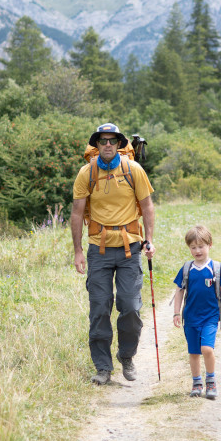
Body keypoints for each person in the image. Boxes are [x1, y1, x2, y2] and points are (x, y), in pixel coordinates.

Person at [71, 123, 156, 386]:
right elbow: (76, 213)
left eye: (112, 140)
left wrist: (149, 240)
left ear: (119, 144)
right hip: (98, 249)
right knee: (99, 308)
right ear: (96, 145)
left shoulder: (133, 170)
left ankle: (126, 356)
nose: (107, 144)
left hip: (131, 247)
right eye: (102, 140)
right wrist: (78, 251)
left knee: (130, 306)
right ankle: (102, 367)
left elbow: (147, 206)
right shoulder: (86, 173)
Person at [172, 225, 221, 399]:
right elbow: (179, 291)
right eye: (193, 247)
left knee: (206, 349)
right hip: (190, 318)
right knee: (193, 352)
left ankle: (211, 380)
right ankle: (197, 383)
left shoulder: (216, 268)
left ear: (210, 245)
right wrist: (176, 313)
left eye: (201, 246)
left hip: (210, 317)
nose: (197, 251)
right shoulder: (187, 269)